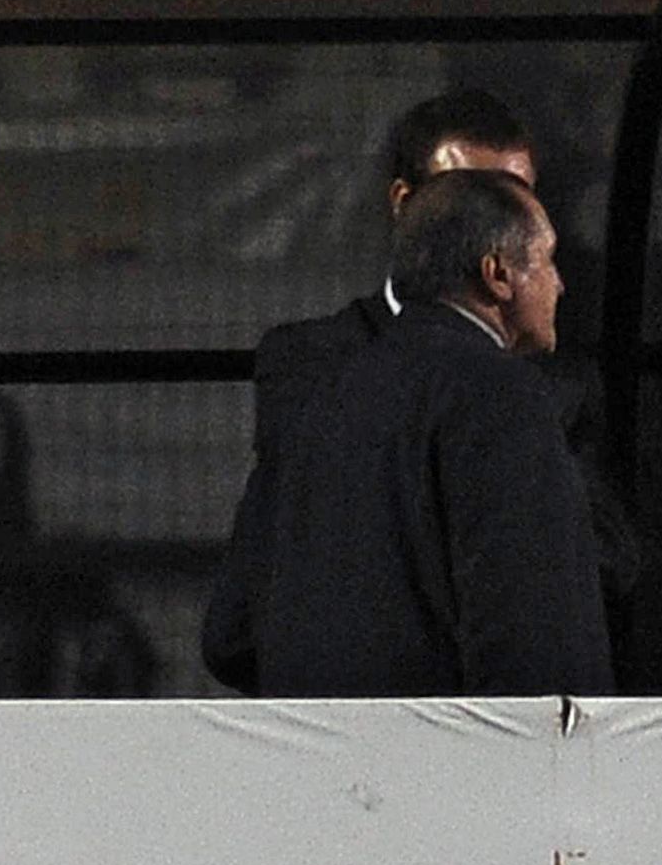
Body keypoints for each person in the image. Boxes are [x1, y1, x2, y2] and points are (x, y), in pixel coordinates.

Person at [200, 86, 662, 690]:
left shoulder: (550, 379)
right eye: (474, 196)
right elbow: (540, 648)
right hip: (459, 748)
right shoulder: (317, 367)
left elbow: (607, 561)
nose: (492, 210)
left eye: (519, 196)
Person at [238, 168, 611, 697]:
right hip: (461, 762)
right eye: (548, 259)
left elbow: (233, 631)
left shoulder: (318, 399)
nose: (560, 282)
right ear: (498, 273)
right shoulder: (503, 394)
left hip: (320, 761)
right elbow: (536, 640)